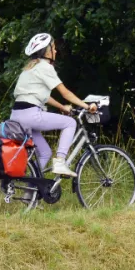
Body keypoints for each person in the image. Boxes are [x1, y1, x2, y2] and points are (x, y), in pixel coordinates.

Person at [9, 33, 98, 178]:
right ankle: (61, 162)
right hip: (31, 115)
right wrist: (87, 106)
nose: (56, 51)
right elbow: (65, 93)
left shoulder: (29, 69)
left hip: (16, 116)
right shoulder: (45, 67)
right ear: (47, 51)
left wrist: (62, 108)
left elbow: (43, 96)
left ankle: (30, 193)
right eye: (54, 48)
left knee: (44, 153)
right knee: (70, 123)